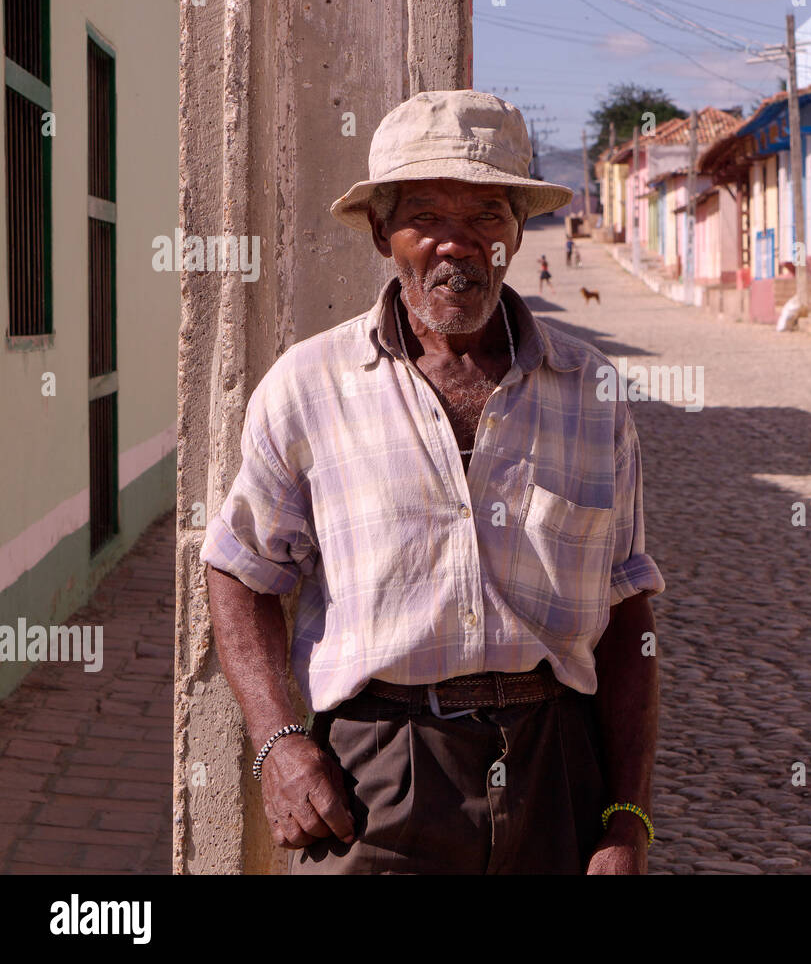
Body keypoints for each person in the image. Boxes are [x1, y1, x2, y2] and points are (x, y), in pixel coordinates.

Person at [200, 90, 664, 875]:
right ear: (382, 232)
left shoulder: (592, 391)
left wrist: (625, 816)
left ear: (518, 230)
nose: (457, 245)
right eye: (423, 217)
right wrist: (279, 745)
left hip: (555, 770)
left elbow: (628, 614)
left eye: (486, 216)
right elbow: (240, 571)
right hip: (374, 779)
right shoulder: (308, 386)